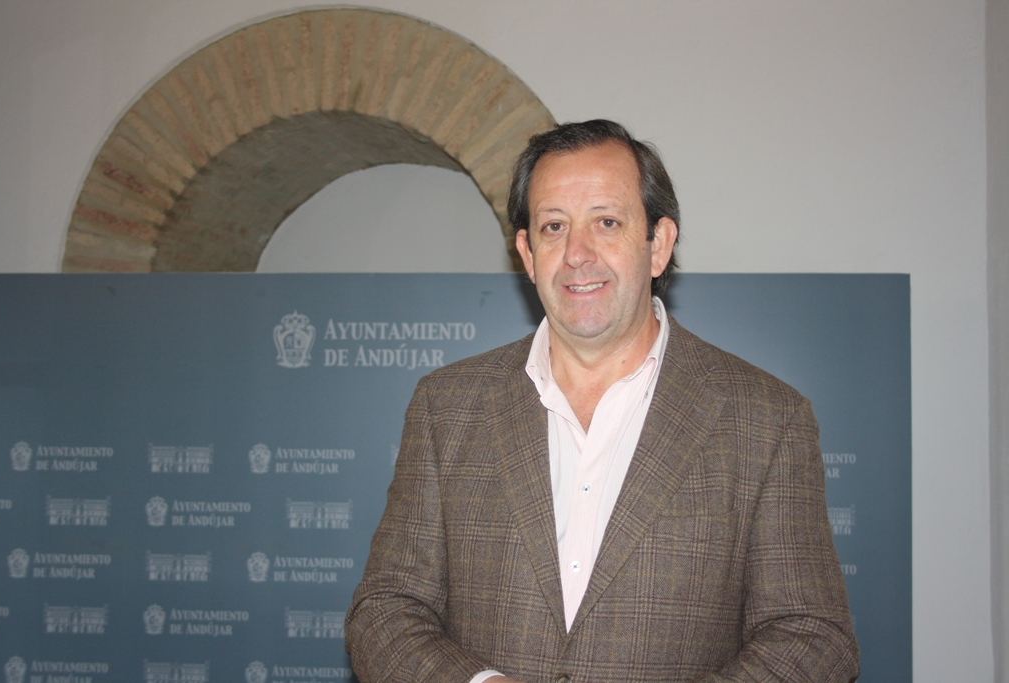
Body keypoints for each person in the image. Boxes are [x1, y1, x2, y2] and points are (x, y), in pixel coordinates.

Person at [346, 119, 859, 682]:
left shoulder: (765, 419)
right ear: (527, 253)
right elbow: (385, 612)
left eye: (606, 222)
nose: (577, 254)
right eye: (554, 226)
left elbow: (813, 638)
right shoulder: (447, 407)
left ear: (658, 244)